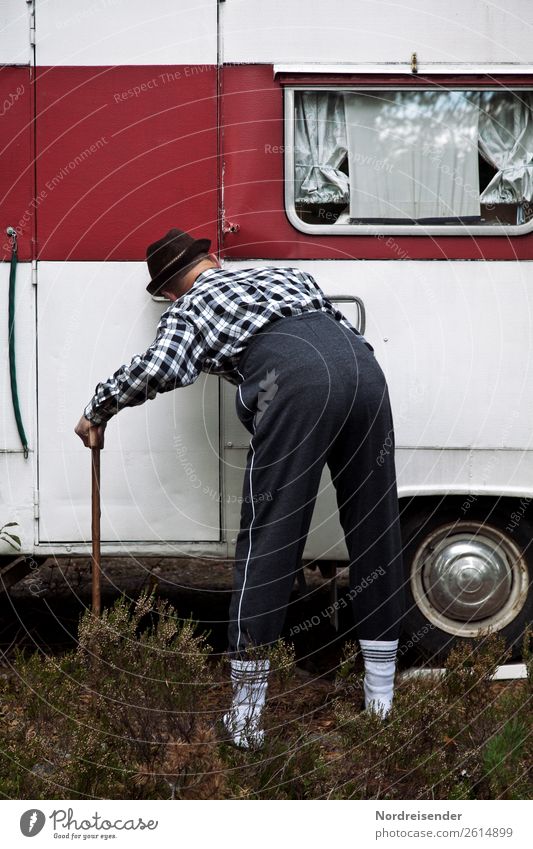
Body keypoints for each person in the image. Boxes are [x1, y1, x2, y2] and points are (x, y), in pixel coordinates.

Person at [75, 227, 405, 748]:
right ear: (211, 258)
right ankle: (381, 700)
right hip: (364, 372)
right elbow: (335, 327)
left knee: (271, 536)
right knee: (374, 526)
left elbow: (162, 368)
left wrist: (99, 407)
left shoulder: (189, 309)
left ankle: (247, 716)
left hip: (296, 381)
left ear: (168, 291)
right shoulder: (284, 274)